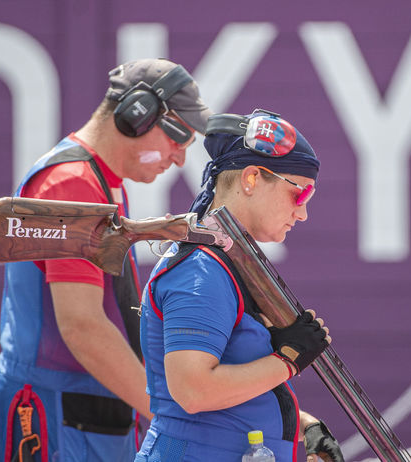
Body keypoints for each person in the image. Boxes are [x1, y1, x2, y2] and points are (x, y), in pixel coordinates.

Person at [0, 58, 212, 462]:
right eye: (178, 138)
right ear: (138, 114)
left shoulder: (99, 181)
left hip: (78, 417)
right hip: (60, 426)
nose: (181, 158)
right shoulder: (72, 185)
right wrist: (172, 417)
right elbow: (83, 328)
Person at [134, 109, 345, 462]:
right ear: (251, 179)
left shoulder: (222, 263)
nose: (303, 212)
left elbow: (229, 393)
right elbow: (193, 391)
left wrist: (300, 426)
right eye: (300, 194)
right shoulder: (201, 270)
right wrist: (288, 360)